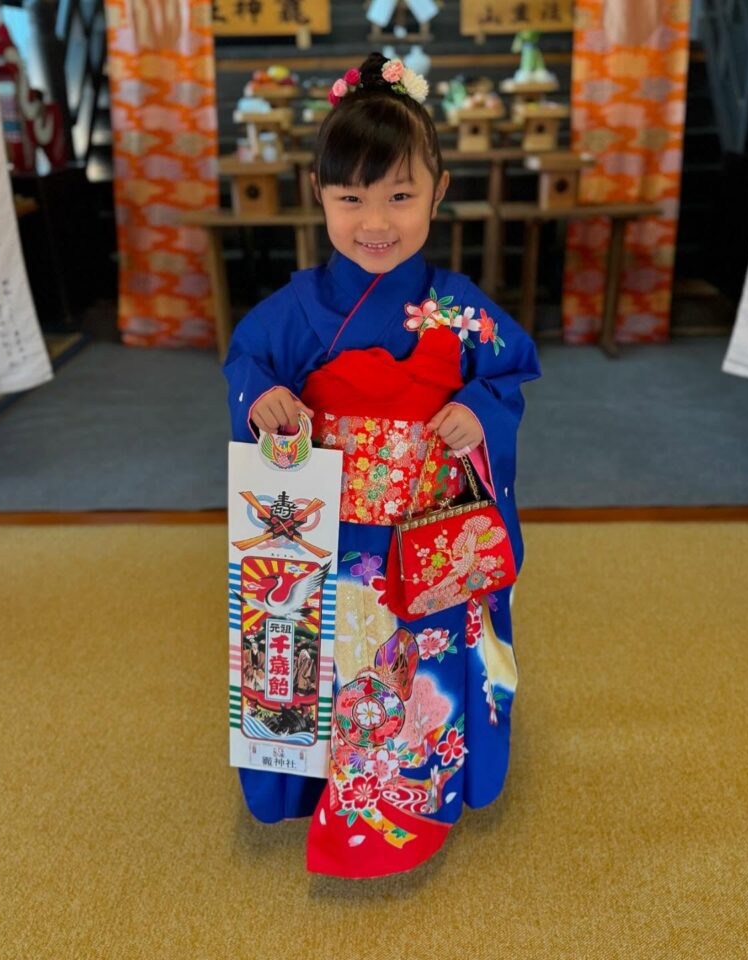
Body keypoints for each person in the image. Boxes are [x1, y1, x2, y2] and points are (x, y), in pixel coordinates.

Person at [224, 52, 541, 878]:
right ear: (319, 198)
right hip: (333, 530)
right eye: (351, 196)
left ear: (438, 192)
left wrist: (483, 409)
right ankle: (308, 790)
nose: (376, 220)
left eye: (401, 195)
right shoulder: (293, 309)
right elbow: (247, 364)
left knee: (423, 660)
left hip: (425, 529)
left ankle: (414, 799)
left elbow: (511, 368)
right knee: (322, 656)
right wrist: (262, 398)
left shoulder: (456, 307)